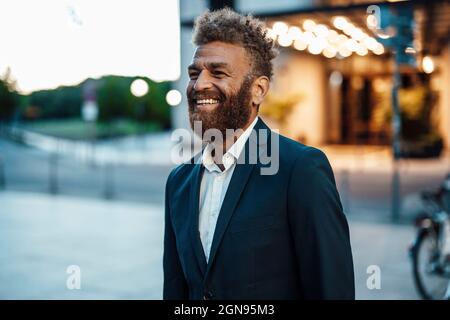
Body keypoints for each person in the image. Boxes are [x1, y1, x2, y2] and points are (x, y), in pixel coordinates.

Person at [163, 8, 355, 300]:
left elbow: (331, 291)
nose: (200, 83)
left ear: (258, 90)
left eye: (218, 72)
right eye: (194, 73)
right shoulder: (178, 182)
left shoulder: (300, 170)